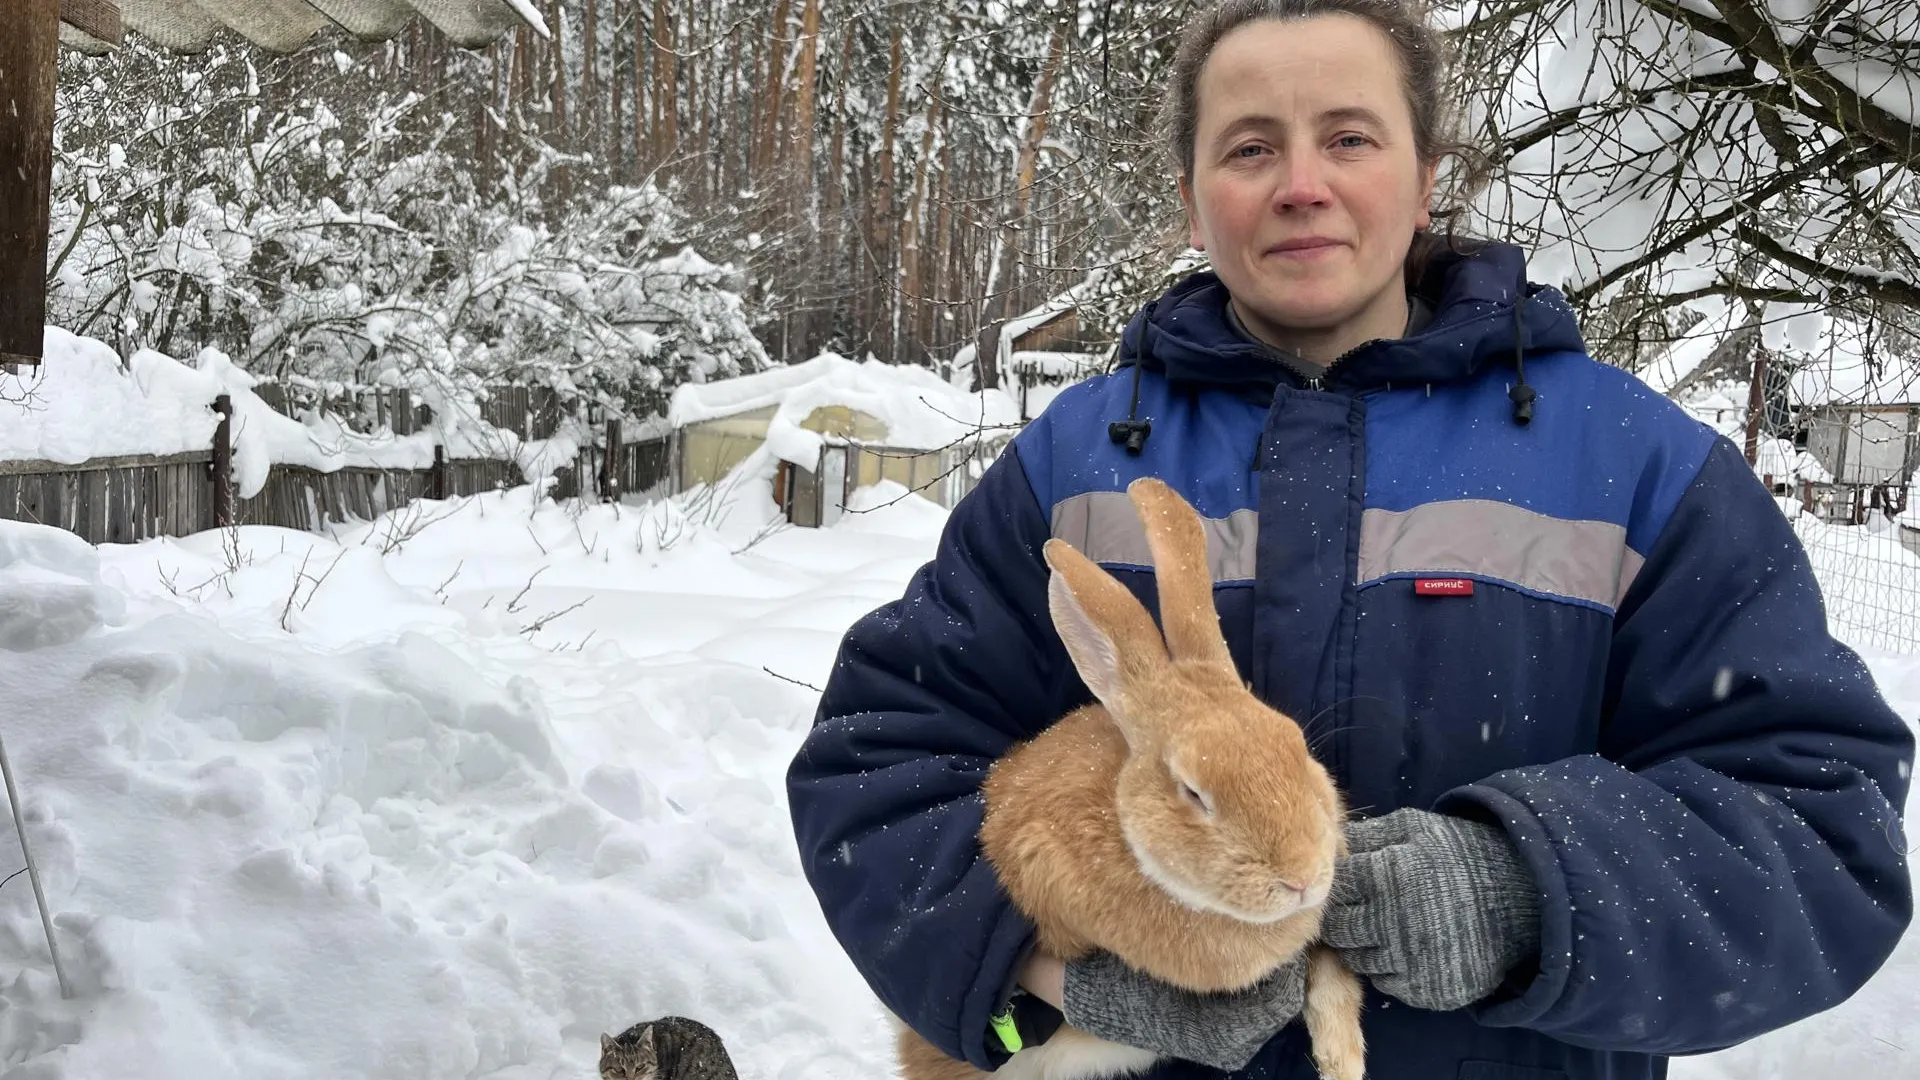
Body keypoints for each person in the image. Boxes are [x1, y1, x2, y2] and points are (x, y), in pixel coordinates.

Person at [785, 0, 1916, 1077]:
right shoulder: (1075, 463)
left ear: (1427, 179)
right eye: (1249, 150)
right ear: (1191, 200)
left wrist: (1527, 889)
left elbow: (1822, 827)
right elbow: (878, 770)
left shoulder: (1638, 466)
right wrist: (1049, 973)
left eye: (1349, 137)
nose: (1301, 186)